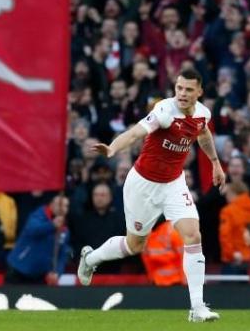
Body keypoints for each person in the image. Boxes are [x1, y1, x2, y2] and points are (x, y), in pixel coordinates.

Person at [78, 69, 225, 322]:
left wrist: (215, 162)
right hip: (143, 186)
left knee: (193, 235)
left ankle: (198, 308)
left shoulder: (203, 113)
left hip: (173, 183)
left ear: (199, 92)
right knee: (135, 245)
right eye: (179, 88)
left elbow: (202, 133)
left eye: (188, 89)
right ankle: (90, 258)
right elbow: (135, 133)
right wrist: (113, 148)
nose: (182, 93)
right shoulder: (164, 111)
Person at [6, 195, 70, 285]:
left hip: (39, 276)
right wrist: (52, 225)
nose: (63, 208)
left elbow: (62, 256)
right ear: (51, 205)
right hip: (18, 270)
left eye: (66, 206)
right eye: (60, 204)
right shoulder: (38, 215)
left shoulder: (64, 231)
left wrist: (57, 273)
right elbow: (33, 230)